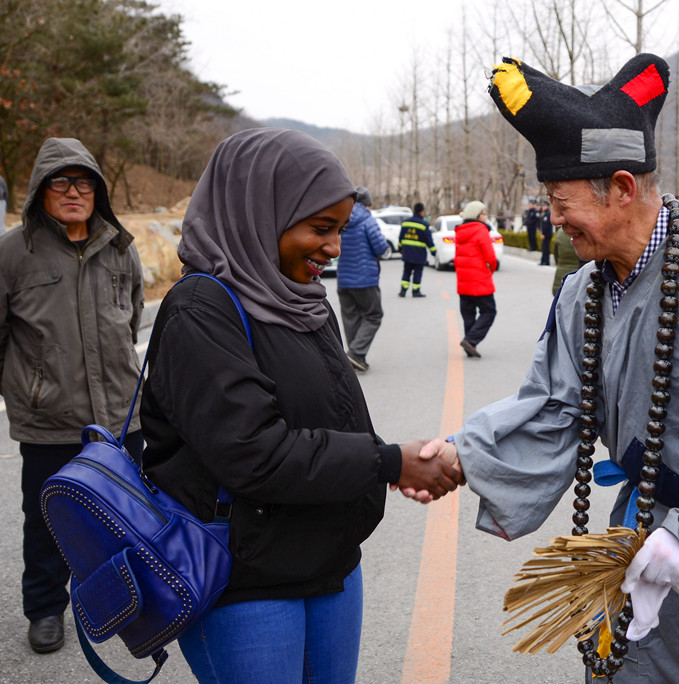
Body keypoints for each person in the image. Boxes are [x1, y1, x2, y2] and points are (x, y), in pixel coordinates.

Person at [414, 53, 679, 683]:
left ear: (621, 188)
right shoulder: (582, 290)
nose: (554, 222)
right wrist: (461, 457)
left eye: (562, 204)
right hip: (638, 541)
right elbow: (554, 405)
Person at [138, 128, 459, 683]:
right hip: (243, 582)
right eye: (320, 228)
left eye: (338, 228)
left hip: (329, 565)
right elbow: (253, 454)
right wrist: (386, 462)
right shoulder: (200, 310)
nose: (334, 248)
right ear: (261, 212)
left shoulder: (301, 301)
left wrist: (387, 462)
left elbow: (336, 418)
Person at [0, 137, 144, 654]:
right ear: (40, 190)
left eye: (82, 181)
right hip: (49, 420)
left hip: (121, 417)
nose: (72, 191)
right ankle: (44, 609)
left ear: (98, 190)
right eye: (59, 181)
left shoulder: (120, 248)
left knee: (127, 516)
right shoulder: (13, 252)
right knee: (46, 522)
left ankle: (128, 600)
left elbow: (131, 320)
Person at [336, 186, 388, 372]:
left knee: (351, 316)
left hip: (343, 279)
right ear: (366, 204)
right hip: (365, 279)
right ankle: (356, 354)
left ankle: (356, 357)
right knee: (374, 315)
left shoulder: (340, 218)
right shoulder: (367, 220)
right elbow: (380, 248)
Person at [454, 201, 498, 358]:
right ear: (477, 216)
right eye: (484, 213)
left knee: (468, 314)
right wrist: (490, 271)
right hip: (479, 280)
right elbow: (491, 258)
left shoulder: (460, 232)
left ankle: (469, 344)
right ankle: (471, 340)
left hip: (464, 281)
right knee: (489, 311)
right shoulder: (480, 230)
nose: (486, 217)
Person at [398, 202, 435, 297]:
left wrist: (400, 248)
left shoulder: (405, 223)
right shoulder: (424, 225)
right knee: (417, 273)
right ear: (422, 212)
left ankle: (403, 290)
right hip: (419, 254)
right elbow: (429, 240)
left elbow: (401, 238)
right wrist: (433, 251)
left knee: (406, 271)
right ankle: (416, 291)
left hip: (407, 253)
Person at [551, 225, 584, 295]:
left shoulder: (560, 233)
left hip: (559, 276)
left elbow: (555, 254)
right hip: (576, 274)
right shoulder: (580, 234)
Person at [538, 201, 553, 265]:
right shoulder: (545, 214)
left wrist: (544, 234)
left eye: (544, 206)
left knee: (545, 248)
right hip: (545, 234)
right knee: (544, 247)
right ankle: (545, 261)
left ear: (547, 206)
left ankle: (545, 261)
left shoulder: (548, 214)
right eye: (543, 206)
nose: (543, 207)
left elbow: (547, 226)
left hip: (547, 234)